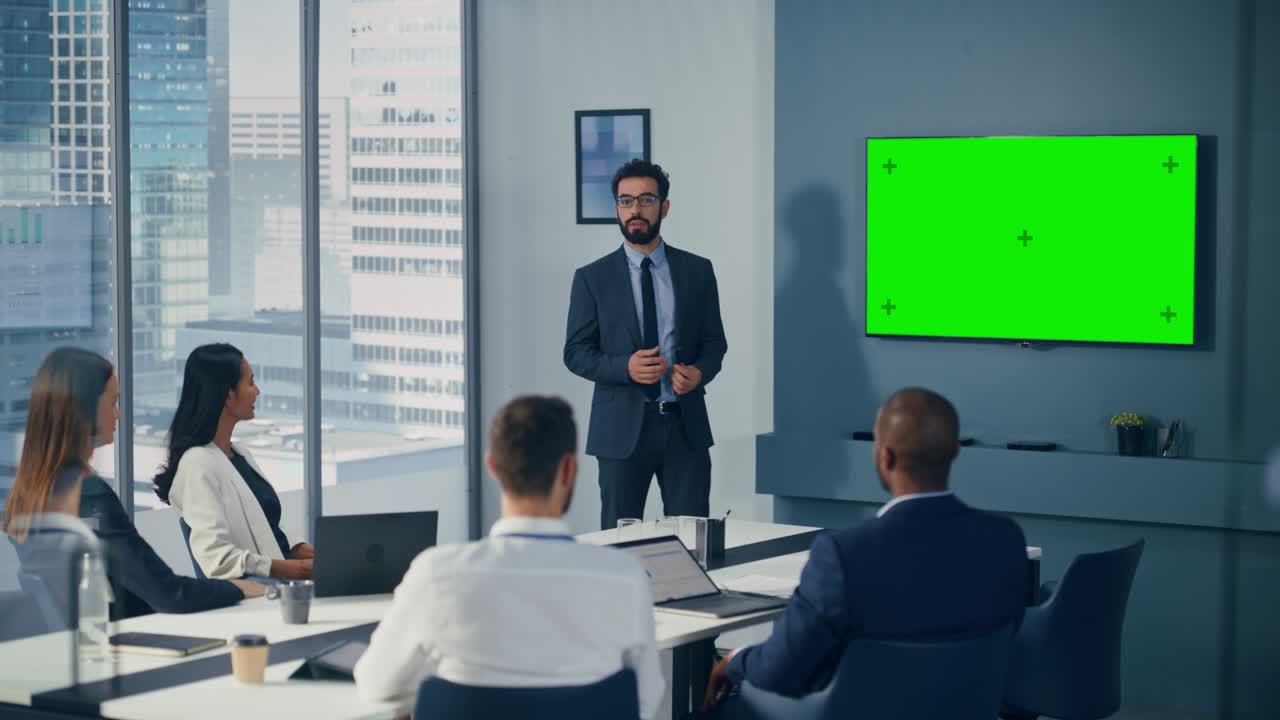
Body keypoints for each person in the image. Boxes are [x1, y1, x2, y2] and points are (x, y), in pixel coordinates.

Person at [703, 388, 1028, 712]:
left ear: (885, 456)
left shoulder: (844, 554)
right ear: (956, 451)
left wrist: (735, 660)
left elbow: (781, 672)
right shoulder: (1005, 539)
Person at [354, 395, 663, 717]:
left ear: (492, 467)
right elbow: (645, 702)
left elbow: (376, 684)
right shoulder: (623, 576)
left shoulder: (438, 573)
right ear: (569, 470)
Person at [3, 347, 262, 622]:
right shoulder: (89, 496)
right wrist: (237, 587)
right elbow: (169, 594)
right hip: (136, 641)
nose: (118, 415)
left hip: (97, 645)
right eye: (112, 403)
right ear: (84, 408)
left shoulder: (31, 495)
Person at [565, 159, 728, 530]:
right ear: (616, 209)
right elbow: (575, 352)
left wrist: (700, 372)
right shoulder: (592, 278)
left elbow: (715, 342)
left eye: (645, 199)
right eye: (625, 201)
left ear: (664, 207)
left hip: (684, 430)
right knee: (619, 547)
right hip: (620, 433)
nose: (635, 210)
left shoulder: (697, 271)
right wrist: (624, 367)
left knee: (692, 541)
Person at [153, 343, 312, 581]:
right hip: (266, 592)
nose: (257, 391)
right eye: (250, 382)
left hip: (288, 582)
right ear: (228, 395)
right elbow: (217, 558)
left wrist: (326, 556)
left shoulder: (240, 455)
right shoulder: (198, 464)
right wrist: (299, 570)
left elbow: (268, 528)